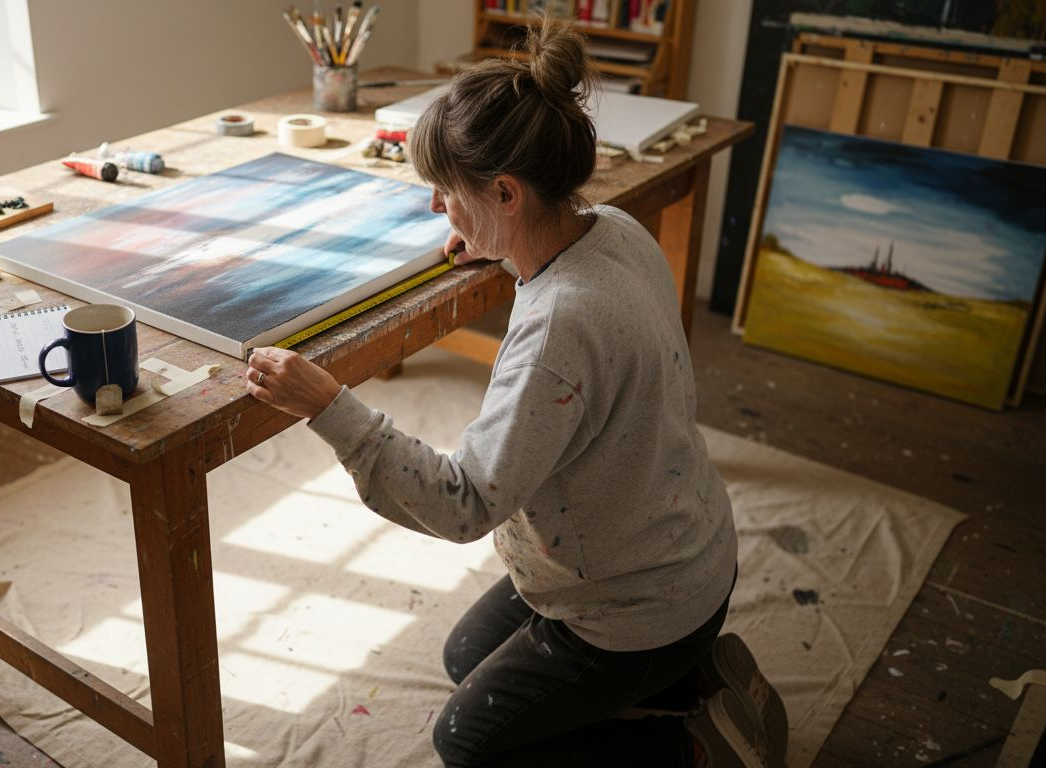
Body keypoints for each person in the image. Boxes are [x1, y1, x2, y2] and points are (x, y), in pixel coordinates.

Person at [245, 17, 786, 768]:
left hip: (638, 607)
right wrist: (494, 241)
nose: (438, 211)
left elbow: (464, 503)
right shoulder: (615, 227)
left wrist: (328, 407)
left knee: (467, 741)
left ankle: (690, 742)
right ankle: (693, 676)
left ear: (505, 191)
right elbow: (563, 284)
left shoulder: (556, 333)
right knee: (467, 657)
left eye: (446, 193)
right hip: (689, 550)